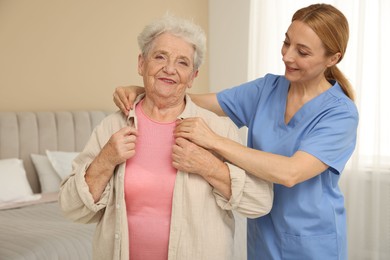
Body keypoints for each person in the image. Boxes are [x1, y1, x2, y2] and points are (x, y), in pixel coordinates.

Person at [113, 3, 359, 260]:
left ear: (333, 58)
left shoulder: (340, 113)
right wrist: (146, 90)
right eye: (287, 43)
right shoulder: (268, 89)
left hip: (312, 242)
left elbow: (290, 172)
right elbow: (197, 101)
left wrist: (215, 142)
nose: (287, 56)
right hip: (264, 233)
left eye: (303, 52)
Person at [59, 14, 273, 260]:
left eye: (183, 63)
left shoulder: (217, 130)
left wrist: (209, 166)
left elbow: (260, 202)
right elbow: (71, 208)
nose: (170, 69)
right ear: (141, 64)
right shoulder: (112, 127)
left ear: (193, 77)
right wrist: (106, 159)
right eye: (160, 57)